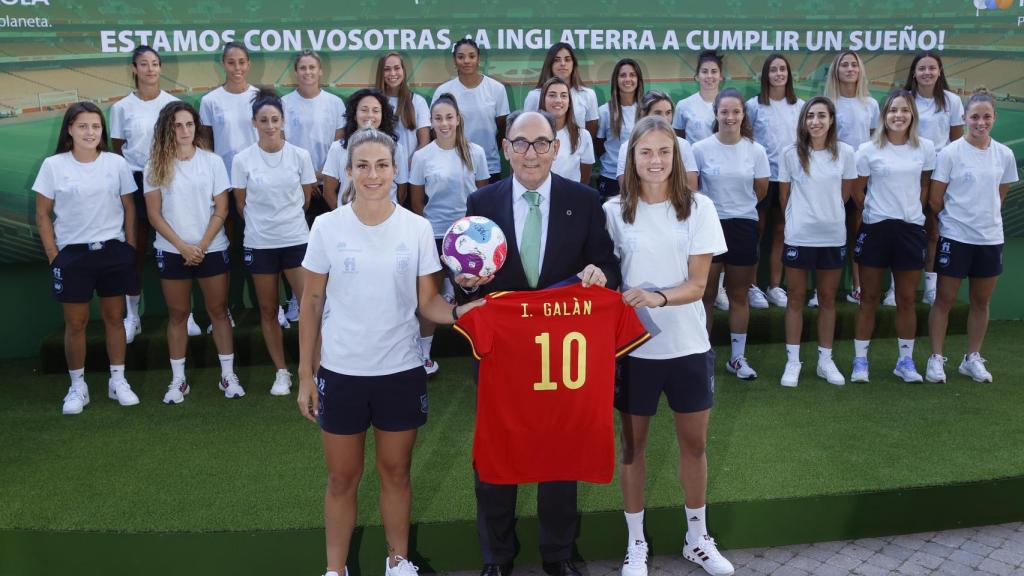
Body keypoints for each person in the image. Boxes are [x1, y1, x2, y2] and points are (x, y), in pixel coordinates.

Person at [296, 128, 482, 576]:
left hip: (400, 370)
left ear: (396, 171)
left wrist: (467, 309)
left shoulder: (417, 229)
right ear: (349, 172)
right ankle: (335, 570)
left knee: (395, 474)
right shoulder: (327, 226)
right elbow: (312, 301)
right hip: (340, 372)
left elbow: (429, 303)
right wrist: (306, 374)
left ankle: (398, 562)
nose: (373, 174)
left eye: (382, 165)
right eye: (363, 165)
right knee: (342, 479)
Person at [455, 110, 620, 576]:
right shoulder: (481, 202)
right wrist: (467, 283)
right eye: (521, 143)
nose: (531, 153)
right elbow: (471, 282)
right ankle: (498, 557)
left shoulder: (585, 201)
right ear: (505, 148)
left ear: (557, 148)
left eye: (541, 143)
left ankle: (558, 554)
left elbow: (608, 267)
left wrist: (601, 274)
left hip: (560, 359)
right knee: (495, 454)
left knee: (558, 455)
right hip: (502, 354)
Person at [604, 116, 733, 576]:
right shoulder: (612, 211)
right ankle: (635, 544)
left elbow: (698, 286)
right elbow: (603, 276)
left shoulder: (699, 208)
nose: (655, 160)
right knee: (632, 448)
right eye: (646, 152)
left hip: (688, 347)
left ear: (675, 157)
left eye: (664, 152)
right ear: (632, 158)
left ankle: (697, 539)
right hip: (635, 353)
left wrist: (655, 296)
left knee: (694, 446)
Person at [33, 102, 140, 415]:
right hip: (72, 256)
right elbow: (42, 214)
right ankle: (77, 386)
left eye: (95, 126)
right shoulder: (53, 165)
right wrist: (55, 256)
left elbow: (130, 208)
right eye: (82, 126)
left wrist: (129, 247)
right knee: (76, 323)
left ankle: (117, 380)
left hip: (112, 251)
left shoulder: (115, 163)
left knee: (114, 318)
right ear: (69, 129)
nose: (90, 132)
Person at [142, 101, 240, 402]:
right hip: (172, 251)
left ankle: (228, 376)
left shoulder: (211, 162)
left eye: (188, 124)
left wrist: (201, 245)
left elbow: (222, 208)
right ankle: (178, 381)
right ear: (166, 129)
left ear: (196, 127)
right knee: (178, 314)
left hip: (211, 248)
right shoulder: (154, 165)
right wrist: (183, 246)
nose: (184, 130)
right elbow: (154, 215)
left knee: (219, 312)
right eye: (177, 125)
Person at [927, 88, 1017, 383]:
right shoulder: (950, 153)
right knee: (944, 300)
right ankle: (936, 358)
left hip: (990, 239)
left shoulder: (1004, 154)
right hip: (955, 237)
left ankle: (972, 358)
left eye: (986, 117)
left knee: (981, 302)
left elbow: (1000, 195)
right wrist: (955, 223)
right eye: (975, 116)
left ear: (994, 118)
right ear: (965, 117)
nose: (980, 122)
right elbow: (935, 200)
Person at [231, 88, 317, 396]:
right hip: (259, 243)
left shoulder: (300, 156)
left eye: (275, 119)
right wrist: (263, 225)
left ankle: (312, 369)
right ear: (254, 122)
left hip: (296, 239)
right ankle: (282, 372)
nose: (270, 125)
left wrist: (286, 222)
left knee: (308, 307)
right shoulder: (242, 160)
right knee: (268, 310)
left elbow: (306, 198)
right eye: (263, 120)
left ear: (283, 122)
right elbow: (241, 203)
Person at [850, 89, 935, 384]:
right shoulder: (867, 150)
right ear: (884, 115)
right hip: (876, 229)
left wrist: (911, 211)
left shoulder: (925, 148)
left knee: (907, 299)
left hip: (910, 230)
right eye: (893, 111)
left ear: (912, 115)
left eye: (904, 110)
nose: (898, 116)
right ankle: (860, 360)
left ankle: (905, 360)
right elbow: (857, 190)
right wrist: (876, 211)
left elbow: (924, 185)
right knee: (869, 298)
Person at [776, 97, 856, 387]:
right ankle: (793, 361)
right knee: (795, 299)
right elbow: (785, 197)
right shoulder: (790, 154)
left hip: (832, 237)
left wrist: (827, 215)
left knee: (827, 299)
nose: (816, 121)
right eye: (810, 116)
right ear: (803, 121)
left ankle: (825, 360)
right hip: (799, 236)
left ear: (831, 120)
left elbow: (845, 194)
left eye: (822, 116)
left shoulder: (846, 153)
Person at [409, 93, 490, 375]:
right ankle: (424, 356)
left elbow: (482, 195)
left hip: (467, 240)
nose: (444, 123)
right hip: (433, 237)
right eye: (438, 118)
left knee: (472, 299)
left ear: (458, 120)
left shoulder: (475, 152)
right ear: (431, 122)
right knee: (429, 299)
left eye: (449, 117)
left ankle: (482, 353)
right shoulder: (421, 157)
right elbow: (417, 201)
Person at [694, 88, 770, 380]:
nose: (729, 117)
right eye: (724, 112)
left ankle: (737, 359)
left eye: (735, 112)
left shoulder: (756, 150)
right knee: (706, 296)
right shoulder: (700, 148)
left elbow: (761, 190)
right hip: (709, 227)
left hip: (743, 226)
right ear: (716, 114)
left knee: (739, 295)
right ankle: (702, 357)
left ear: (743, 114)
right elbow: (694, 190)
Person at [109, 45, 179, 343]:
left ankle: (183, 314)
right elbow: (117, 147)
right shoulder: (121, 107)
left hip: (170, 179)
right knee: (134, 250)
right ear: (134, 69)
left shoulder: (174, 104)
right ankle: (132, 315)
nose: (150, 69)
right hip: (135, 181)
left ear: (160, 68)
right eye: (143, 64)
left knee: (176, 243)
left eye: (154, 63)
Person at [282, 50, 347, 322]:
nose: (308, 72)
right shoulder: (284, 103)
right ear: (296, 72)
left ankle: (334, 298)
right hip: (295, 186)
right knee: (298, 247)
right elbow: (283, 144)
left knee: (332, 244)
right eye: (302, 68)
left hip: (328, 184)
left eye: (312, 67)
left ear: (320, 71)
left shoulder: (335, 104)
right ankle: (297, 299)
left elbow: (339, 144)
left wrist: (322, 175)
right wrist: (307, 176)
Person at [904, 51, 965, 305]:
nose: (927, 72)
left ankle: (931, 286)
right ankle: (898, 287)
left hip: (939, 173)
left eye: (932, 67)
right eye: (922, 68)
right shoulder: (905, 99)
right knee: (906, 229)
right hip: (909, 171)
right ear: (914, 72)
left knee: (933, 230)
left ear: (940, 71)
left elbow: (957, 141)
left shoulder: (951, 101)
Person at [746, 54, 804, 309]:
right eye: (773, 70)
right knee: (756, 231)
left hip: (789, 178)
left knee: (782, 231)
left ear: (789, 74)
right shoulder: (754, 106)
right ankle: (751, 286)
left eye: (782, 69)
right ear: (766, 75)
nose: (778, 73)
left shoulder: (800, 106)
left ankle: (775, 286)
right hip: (761, 177)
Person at [823, 50, 880, 306]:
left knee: (858, 231)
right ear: (836, 70)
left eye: (853, 65)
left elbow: (875, 140)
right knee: (829, 228)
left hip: (861, 177)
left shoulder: (870, 104)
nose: (849, 69)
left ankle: (858, 286)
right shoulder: (828, 102)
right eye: (844, 64)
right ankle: (822, 290)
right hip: (832, 175)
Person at [432, 39, 510, 182]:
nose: (466, 61)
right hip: (452, 165)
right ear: (454, 61)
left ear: (478, 59)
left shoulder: (497, 89)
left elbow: (503, 129)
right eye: (461, 57)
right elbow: (435, 131)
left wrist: (488, 151)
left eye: (472, 56)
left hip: (489, 166)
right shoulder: (443, 91)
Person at [323, 88, 409, 208]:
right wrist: (342, 216)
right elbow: (328, 191)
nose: (370, 115)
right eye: (364, 110)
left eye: (376, 111)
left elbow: (402, 191)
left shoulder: (396, 149)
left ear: (382, 115)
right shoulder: (338, 148)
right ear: (354, 114)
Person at [616, 90, 698, 192]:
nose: (665, 118)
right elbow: (627, 189)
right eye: (658, 113)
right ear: (644, 115)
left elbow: (691, 188)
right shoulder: (627, 147)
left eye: (668, 113)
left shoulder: (683, 145)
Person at [522, 42, 600, 139]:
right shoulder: (534, 96)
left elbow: (591, 130)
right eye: (557, 60)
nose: (563, 64)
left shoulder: (588, 94)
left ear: (573, 64)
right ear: (550, 64)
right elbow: (527, 129)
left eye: (567, 60)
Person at [596, 58, 644, 198]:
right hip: (611, 178)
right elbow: (599, 146)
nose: (627, 79)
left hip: (641, 177)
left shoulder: (647, 109)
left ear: (638, 79)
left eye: (632, 75)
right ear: (616, 80)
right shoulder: (604, 111)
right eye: (623, 75)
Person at [377, 51, 431, 170]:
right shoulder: (373, 102)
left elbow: (424, 143)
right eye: (387, 69)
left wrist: (409, 166)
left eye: (397, 68)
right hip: (380, 171)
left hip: (411, 171)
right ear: (381, 72)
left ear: (403, 70)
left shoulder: (418, 101)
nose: (393, 73)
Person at [538, 76, 595, 183]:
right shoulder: (530, 134)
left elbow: (585, 179)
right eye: (552, 95)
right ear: (543, 100)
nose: (558, 100)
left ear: (569, 103)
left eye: (564, 96)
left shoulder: (583, 136)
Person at [673, 50, 724, 145]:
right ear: (697, 76)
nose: (709, 76)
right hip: (693, 159)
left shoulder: (729, 104)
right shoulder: (683, 105)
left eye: (714, 71)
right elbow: (679, 140)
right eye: (704, 71)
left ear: (720, 76)